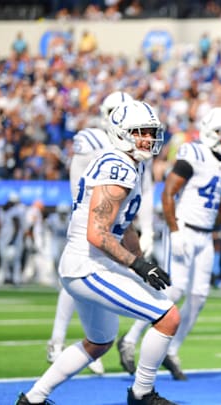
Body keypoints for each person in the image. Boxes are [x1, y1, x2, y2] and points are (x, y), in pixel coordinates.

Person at [16, 100, 179, 405]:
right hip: (88, 265)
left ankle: (33, 398)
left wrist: (139, 261)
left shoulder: (129, 162)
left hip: (87, 263)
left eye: (150, 131)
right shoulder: (118, 166)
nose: (147, 138)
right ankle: (142, 393)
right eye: (140, 132)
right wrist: (139, 266)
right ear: (121, 134)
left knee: (99, 341)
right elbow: (97, 233)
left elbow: (123, 224)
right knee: (168, 317)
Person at [117, 107, 221, 380]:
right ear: (211, 132)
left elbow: (220, 196)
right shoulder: (193, 154)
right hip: (184, 229)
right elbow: (169, 193)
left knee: (198, 297)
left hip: (206, 234)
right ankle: (130, 339)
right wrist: (174, 231)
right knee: (174, 291)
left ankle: (172, 350)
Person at [46, 91, 152, 375]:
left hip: (115, 223)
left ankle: (96, 342)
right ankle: (57, 341)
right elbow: (79, 179)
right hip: (91, 222)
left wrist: (145, 232)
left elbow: (145, 187)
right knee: (75, 280)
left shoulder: (139, 145)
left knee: (88, 288)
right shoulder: (93, 140)